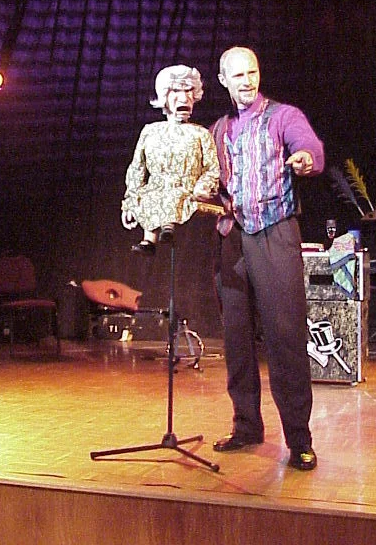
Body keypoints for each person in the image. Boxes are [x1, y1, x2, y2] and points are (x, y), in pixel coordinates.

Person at [210, 46, 324, 470]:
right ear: (223, 80)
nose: (246, 81)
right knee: (236, 336)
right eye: (237, 75)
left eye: (252, 72)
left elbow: (309, 145)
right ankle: (246, 425)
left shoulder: (283, 116)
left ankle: (299, 438)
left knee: (285, 335)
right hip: (232, 236)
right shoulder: (218, 129)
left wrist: (306, 159)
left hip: (275, 231)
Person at [121, 65, 220, 253]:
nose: (184, 97)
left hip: (185, 190)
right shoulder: (151, 131)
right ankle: (149, 240)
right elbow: (137, 169)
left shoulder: (201, 134)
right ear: (165, 95)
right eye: (176, 90)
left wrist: (204, 185)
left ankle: (168, 228)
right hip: (156, 188)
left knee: (172, 195)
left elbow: (211, 168)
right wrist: (129, 203)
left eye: (188, 90)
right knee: (150, 196)